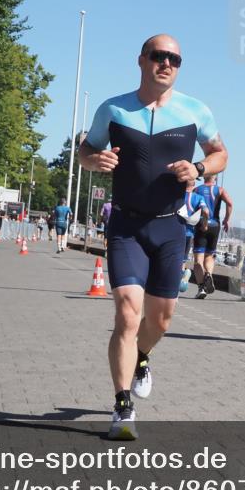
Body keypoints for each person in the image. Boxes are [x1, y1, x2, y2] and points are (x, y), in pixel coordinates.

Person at [79, 33, 227, 440]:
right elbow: (85, 151)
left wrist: (199, 168)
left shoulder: (195, 111)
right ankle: (122, 405)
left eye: (174, 59)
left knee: (160, 320)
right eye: (159, 56)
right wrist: (95, 160)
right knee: (128, 313)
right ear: (141, 60)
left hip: (170, 227)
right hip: (126, 225)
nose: (167, 64)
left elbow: (220, 154)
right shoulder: (113, 109)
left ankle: (142, 356)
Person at [193, 175, 233, 298]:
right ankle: (208, 275)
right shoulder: (219, 190)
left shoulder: (197, 190)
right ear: (215, 178)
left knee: (198, 260)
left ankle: (201, 288)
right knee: (209, 256)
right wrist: (226, 219)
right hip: (215, 225)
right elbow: (230, 203)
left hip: (201, 224)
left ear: (204, 176)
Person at [181, 183, 210, 296]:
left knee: (174, 259)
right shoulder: (198, 198)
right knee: (183, 260)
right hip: (189, 232)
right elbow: (206, 211)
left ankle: (181, 276)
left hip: (175, 230)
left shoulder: (177, 194)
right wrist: (205, 224)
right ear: (193, 185)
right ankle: (183, 275)